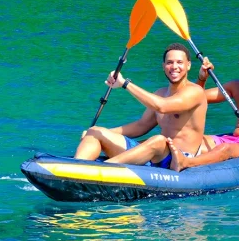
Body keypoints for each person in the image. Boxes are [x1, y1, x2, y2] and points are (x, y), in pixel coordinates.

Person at [74, 43, 207, 168]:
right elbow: (141, 126)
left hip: (178, 159)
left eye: (179, 62)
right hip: (155, 155)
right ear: (163, 66)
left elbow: (162, 106)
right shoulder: (160, 93)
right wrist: (104, 131)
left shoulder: (194, 91)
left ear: (188, 65)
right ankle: (74, 171)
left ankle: (102, 169)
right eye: (169, 62)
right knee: (95, 131)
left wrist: (124, 84)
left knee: (159, 140)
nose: (174, 67)